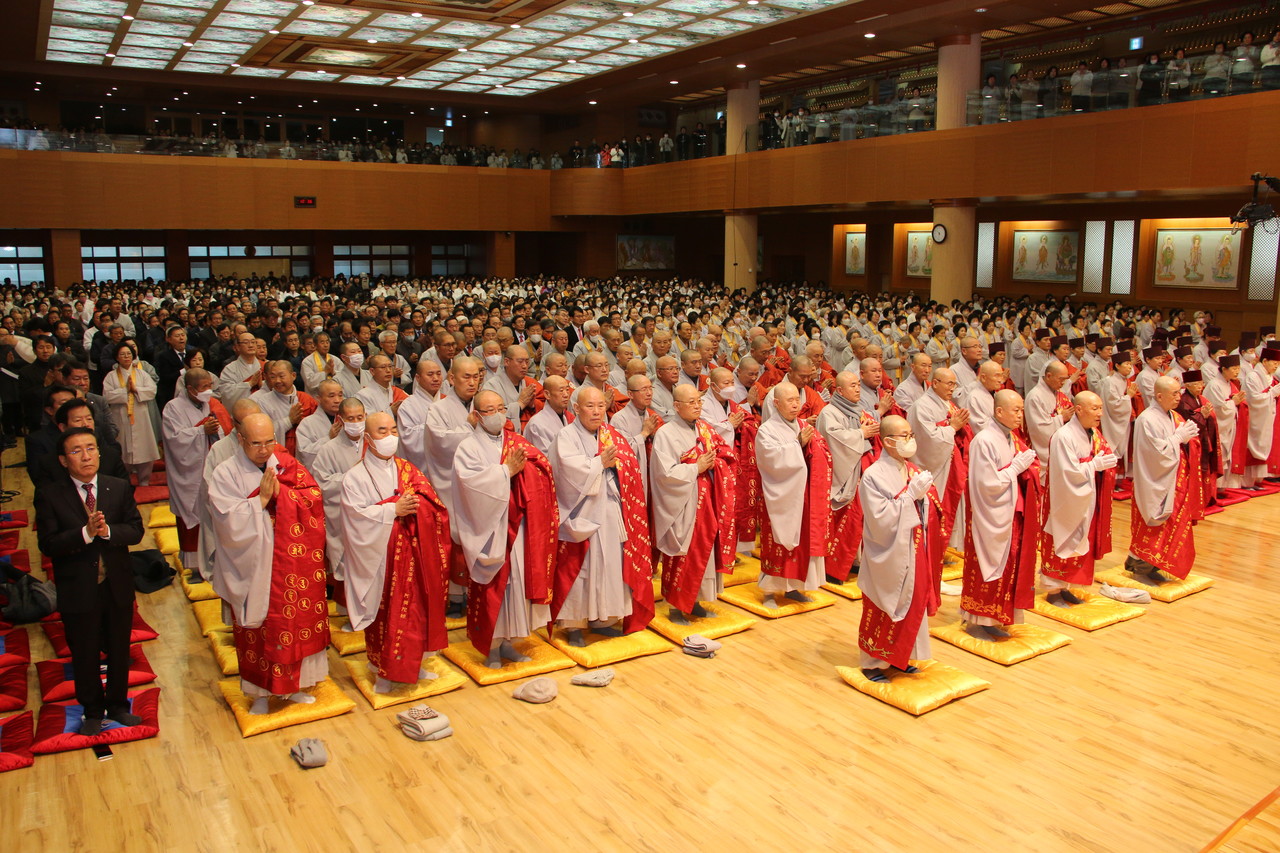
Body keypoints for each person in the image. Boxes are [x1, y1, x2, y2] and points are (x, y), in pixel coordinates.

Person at [208, 413, 329, 714]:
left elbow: (313, 496)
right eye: (256, 443)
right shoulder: (226, 473)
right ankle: (260, 694)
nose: (264, 450)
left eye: (269, 442)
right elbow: (225, 520)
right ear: (240, 439)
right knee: (259, 632)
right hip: (255, 565)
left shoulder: (288, 465)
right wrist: (259, 501)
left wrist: (282, 494)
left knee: (293, 622)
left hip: (291, 561)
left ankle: (293, 687)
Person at [35, 427, 145, 735]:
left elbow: (135, 530)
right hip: (77, 588)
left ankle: (119, 705)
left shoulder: (117, 487)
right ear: (63, 460)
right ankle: (93, 709)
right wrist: (85, 533)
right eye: (76, 451)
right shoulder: (51, 495)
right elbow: (48, 543)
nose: (86, 456)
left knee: (120, 647)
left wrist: (107, 532)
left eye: (91, 448)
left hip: (117, 584)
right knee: (84, 650)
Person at [339, 412, 451, 693]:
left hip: (414, 553)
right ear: (367, 438)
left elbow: (431, 501)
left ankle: (417, 663)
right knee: (386, 614)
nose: (389, 437)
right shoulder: (354, 477)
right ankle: (383, 671)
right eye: (381, 431)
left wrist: (414, 507)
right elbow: (355, 517)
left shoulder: (408, 468)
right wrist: (392, 509)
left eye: (392, 430)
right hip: (380, 558)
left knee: (416, 611)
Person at [452, 389, 559, 668]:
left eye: (501, 408)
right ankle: (491, 647)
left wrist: (528, 470)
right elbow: (469, 486)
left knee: (517, 586)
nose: (498, 414)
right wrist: (504, 472)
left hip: (518, 525)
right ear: (476, 416)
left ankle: (509, 641)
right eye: (490, 410)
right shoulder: (468, 448)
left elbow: (541, 468)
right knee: (495, 588)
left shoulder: (516, 441)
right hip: (490, 530)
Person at [549, 386, 654, 645]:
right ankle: (574, 625)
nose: (596, 412)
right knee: (583, 568)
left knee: (611, 566)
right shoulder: (566, 435)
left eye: (600, 406)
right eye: (589, 406)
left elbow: (629, 464)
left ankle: (604, 619)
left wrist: (616, 467)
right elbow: (566, 471)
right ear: (576, 408)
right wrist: (599, 463)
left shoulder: (611, 435)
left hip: (610, 508)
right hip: (581, 512)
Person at [857, 415, 941, 682]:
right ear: (887, 441)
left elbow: (928, 506)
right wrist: (909, 496)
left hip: (914, 547)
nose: (909, 440)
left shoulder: (912, 470)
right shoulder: (873, 476)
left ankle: (900, 657)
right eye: (903, 436)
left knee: (913, 602)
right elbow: (879, 518)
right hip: (887, 552)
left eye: (910, 434)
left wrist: (924, 498)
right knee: (884, 604)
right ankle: (873, 662)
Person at [650, 383, 736, 623]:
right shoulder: (666, 433)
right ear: (677, 406)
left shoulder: (705, 428)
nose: (697, 406)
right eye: (691, 402)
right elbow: (664, 474)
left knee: (704, 555)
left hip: (707, 499)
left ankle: (696, 601)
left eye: (699, 401)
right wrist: (695, 467)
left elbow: (724, 455)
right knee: (684, 555)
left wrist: (714, 464)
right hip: (683, 504)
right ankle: (677, 606)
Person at [961, 391, 1040, 639]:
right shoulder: (984, 440)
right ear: (999, 412)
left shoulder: (1011, 438)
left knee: (1011, 562)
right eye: (1015, 410)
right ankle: (979, 619)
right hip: (990, 515)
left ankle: (998, 616)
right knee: (989, 563)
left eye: (1021, 410)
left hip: (1009, 511)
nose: (1020, 415)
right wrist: (1016, 467)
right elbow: (987, 483)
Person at [754, 382, 832, 608]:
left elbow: (821, 453)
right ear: (776, 403)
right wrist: (798, 444)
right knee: (777, 544)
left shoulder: (803, 424)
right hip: (780, 496)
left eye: (797, 399)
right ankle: (769, 591)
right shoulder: (766, 430)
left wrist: (812, 446)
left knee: (803, 542)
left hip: (804, 494)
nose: (795, 404)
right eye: (789, 401)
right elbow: (771, 460)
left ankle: (795, 587)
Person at [1041, 391, 1118, 607]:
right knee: (1062, 538)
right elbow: (1067, 472)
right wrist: (1094, 465)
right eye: (1095, 409)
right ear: (1079, 409)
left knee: (1082, 541)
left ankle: (1067, 586)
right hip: (1065, 499)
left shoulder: (1093, 433)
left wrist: (1104, 463)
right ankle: (1053, 589)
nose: (1100, 414)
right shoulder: (1063, 436)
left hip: (1087, 497)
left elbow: (1104, 454)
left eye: (1101, 408)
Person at [1127, 376, 1203, 583]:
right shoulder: (1146, 419)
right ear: (1159, 396)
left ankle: (1153, 565)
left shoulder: (1174, 416)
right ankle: (1140, 568)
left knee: (1170, 527)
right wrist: (1178, 438)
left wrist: (1189, 440)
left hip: (1173, 481)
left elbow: (1182, 443)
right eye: (1174, 393)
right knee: (1151, 526)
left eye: (1179, 392)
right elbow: (1154, 454)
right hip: (1154, 481)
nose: (1179, 397)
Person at [426, 356, 484, 615]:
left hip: (479, 483)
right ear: (451, 379)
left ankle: (477, 589)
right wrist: (467, 427)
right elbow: (439, 444)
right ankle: (456, 597)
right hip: (450, 482)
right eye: (466, 377)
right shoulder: (438, 409)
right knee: (453, 538)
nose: (473, 382)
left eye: (476, 377)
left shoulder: (483, 403)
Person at [160, 368, 224, 579]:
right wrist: (200, 431)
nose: (208, 391)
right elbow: (174, 439)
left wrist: (214, 430)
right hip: (187, 472)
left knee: (212, 514)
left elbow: (222, 432)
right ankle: (194, 565)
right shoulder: (173, 408)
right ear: (189, 388)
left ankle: (213, 560)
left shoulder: (208, 404)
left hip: (208, 466)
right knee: (191, 513)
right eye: (204, 387)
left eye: (210, 386)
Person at [815, 371, 877, 583]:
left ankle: (854, 562)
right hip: (842, 475)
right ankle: (833, 567)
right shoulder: (829, 413)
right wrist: (861, 434)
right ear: (839, 391)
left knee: (860, 521)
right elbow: (834, 440)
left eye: (858, 384)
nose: (858, 389)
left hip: (859, 470)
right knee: (846, 521)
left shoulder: (858, 410)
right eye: (852, 386)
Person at [311, 398, 367, 601]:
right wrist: (351, 477)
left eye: (359, 417)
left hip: (373, 515)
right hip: (344, 517)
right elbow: (320, 484)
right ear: (341, 420)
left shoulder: (375, 442)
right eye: (350, 418)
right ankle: (347, 608)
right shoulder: (329, 449)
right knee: (350, 564)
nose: (356, 422)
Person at [101, 341, 159, 486]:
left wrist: (136, 389)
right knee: (122, 447)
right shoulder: (111, 376)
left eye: (128, 354)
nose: (126, 356)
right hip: (120, 415)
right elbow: (106, 396)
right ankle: (124, 480)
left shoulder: (142, 373)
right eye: (122, 354)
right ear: (117, 357)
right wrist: (124, 391)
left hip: (140, 415)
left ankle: (144, 481)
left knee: (144, 448)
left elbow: (152, 391)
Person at [249, 360, 316, 453]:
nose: (277, 381)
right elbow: (262, 433)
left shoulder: (306, 399)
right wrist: (289, 421)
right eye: (273, 377)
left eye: (281, 376)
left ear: (293, 376)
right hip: (280, 454)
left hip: (306, 451)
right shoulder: (263, 402)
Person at [395, 357, 444, 472]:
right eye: (430, 374)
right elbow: (408, 439)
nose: (436, 378)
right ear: (418, 378)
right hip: (422, 468)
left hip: (444, 464)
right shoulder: (407, 406)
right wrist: (437, 428)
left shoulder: (447, 402)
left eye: (438, 374)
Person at [1025, 360, 1073, 470]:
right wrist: (1061, 418)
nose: (1063, 383)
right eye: (1060, 379)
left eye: (1065, 380)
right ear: (1048, 376)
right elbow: (1039, 428)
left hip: (1062, 443)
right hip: (1045, 449)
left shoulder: (1059, 394)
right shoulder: (1034, 396)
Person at [484, 344, 543, 431]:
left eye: (527, 362)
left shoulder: (528, 383)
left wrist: (531, 405)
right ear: (507, 362)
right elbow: (491, 419)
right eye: (520, 361)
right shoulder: (491, 386)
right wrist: (520, 404)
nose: (524, 366)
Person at [294, 378, 343, 472]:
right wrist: (328, 438)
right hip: (320, 475)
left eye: (340, 395)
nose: (337, 400)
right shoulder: (307, 424)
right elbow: (304, 454)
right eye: (331, 396)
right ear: (319, 398)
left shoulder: (348, 420)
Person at [523, 374, 573, 456]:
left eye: (567, 390)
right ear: (547, 394)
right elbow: (545, 458)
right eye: (561, 390)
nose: (566, 395)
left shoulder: (567, 418)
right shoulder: (536, 424)